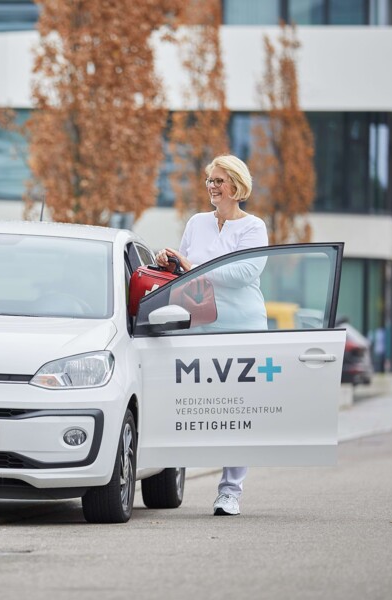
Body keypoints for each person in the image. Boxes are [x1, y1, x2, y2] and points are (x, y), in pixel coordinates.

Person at [155, 154, 268, 516]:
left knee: (238, 411)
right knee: (194, 405)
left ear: (237, 187)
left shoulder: (254, 227)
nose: (212, 187)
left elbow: (244, 272)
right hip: (201, 325)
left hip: (243, 328)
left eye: (219, 181)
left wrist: (194, 267)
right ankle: (169, 473)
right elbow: (185, 273)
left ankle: (229, 491)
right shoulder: (197, 223)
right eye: (209, 181)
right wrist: (170, 263)